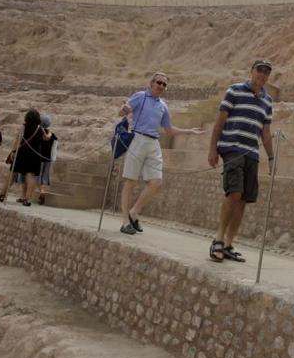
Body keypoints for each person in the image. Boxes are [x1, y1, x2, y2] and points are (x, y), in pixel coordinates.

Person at [118, 72, 205, 235]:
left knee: (156, 182)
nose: (161, 86)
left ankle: (134, 212)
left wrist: (190, 131)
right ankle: (124, 222)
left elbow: (169, 130)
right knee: (130, 181)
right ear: (151, 83)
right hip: (137, 138)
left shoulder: (163, 106)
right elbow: (124, 111)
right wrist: (123, 110)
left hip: (153, 142)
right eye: (159, 82)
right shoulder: (140, 96)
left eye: (164, 84)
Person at [207, 60, 275, 262]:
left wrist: (271, 157)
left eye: (266, 72)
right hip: (232, 148)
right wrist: (213, 149)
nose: (262, 74)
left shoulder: (267, 101)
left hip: (251, 153)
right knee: (234, 193)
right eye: (259, 70)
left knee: (244, 199)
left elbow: (266, 132)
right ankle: (217, 239)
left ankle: (228, 244)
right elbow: (220, 122)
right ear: (251, 72)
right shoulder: (234, 91)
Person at [0, 109, 49, 206]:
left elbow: (18, 139)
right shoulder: (40, 128)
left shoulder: (23, 127)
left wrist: (14, 151)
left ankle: (2, 194)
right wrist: (49, 133)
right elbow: (46, 138)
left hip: (22, 154)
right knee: (30, 176)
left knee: (12, 175)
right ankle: (27, 199)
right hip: (35, 155)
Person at [36, 115, 57, 205]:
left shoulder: (38, 133)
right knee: (44, 177)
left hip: (38, 158)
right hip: (47, 159)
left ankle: (41, 191)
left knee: (36, 176)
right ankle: (42, 191)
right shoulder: (53, 135)